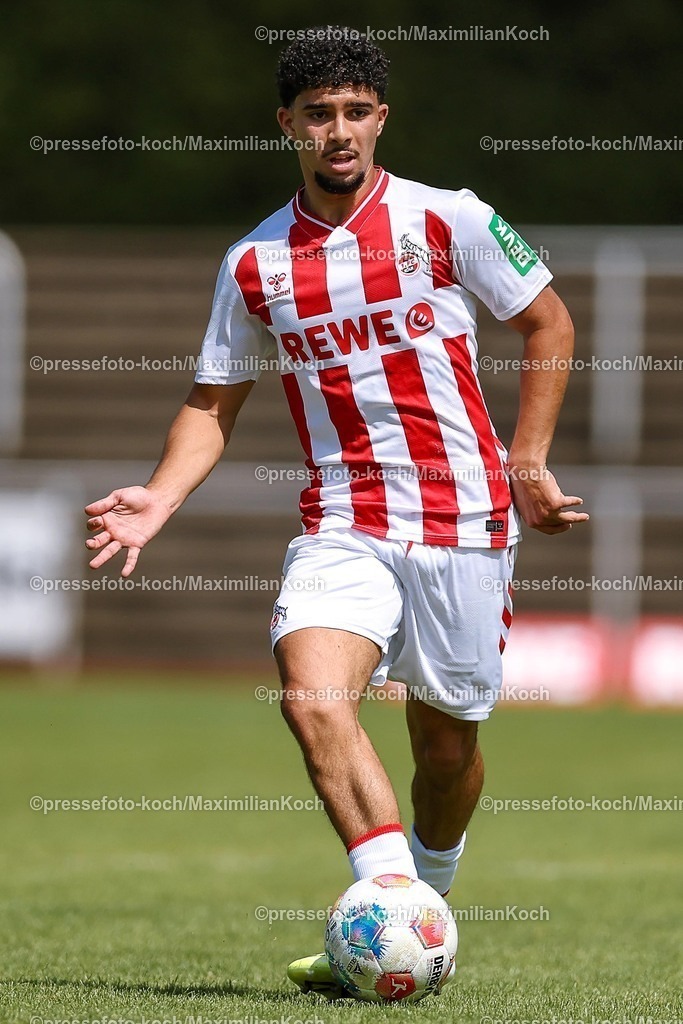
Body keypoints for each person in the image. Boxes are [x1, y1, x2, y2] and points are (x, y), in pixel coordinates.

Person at [84, 27, 589, 996]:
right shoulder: (254, 263)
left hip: (462, 520)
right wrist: (158, 496)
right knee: (312, 698)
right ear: (287, 124)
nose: (338, 131)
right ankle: (391, 915)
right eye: (317, 114)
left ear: (380, 118)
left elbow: (547, 320)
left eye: (355, 111)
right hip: (341, 521)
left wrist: (526, 458)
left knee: (446, 749)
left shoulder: (449, 219)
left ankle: (425, 896)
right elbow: (213, 402)